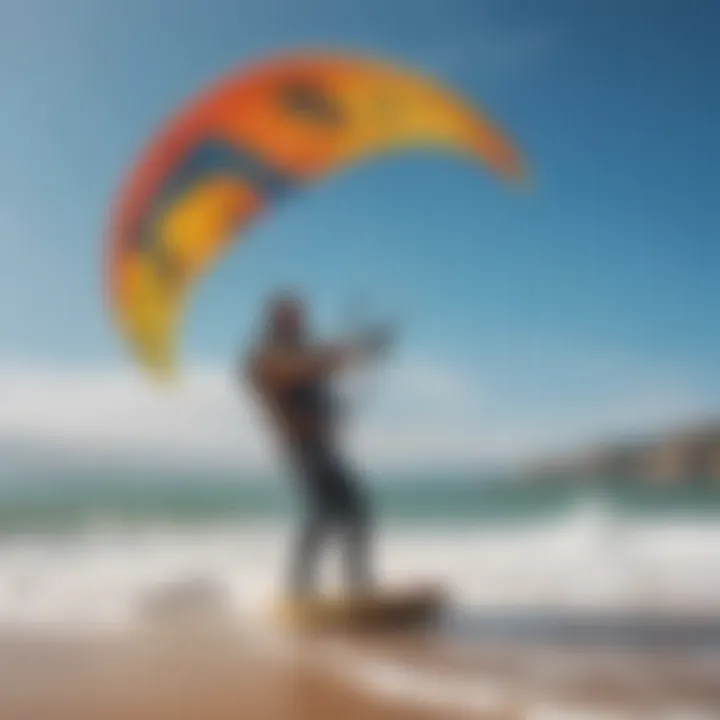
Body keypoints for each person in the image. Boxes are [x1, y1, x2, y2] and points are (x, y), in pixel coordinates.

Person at [244, 292, 393, 600]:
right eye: (292, 316)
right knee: (331, 509)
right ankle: (306, 587)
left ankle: (352, 584)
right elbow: (305, 366)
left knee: (348, 510)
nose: (301, 321)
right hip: (302, 447)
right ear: (277, 321)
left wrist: (368, 348)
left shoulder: (301, 352)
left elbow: (323, 363)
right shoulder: (265, 356)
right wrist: (354, 350)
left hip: (322, 445)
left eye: (300, 315)